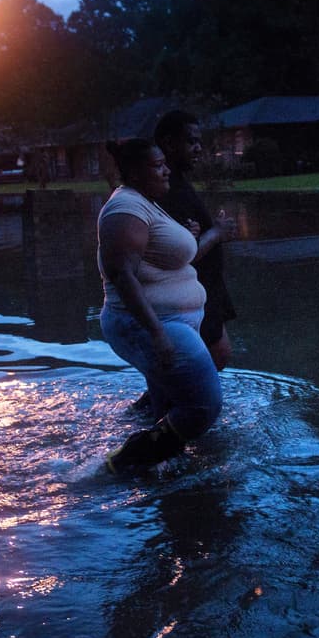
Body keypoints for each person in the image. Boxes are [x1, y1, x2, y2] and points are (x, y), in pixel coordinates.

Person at [97, 138, 222, 472]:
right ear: (136, 172)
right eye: (158, 165)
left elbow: (157, 256)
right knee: (203, 406)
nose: (167, 170)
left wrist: (187, 237)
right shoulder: (126, 207)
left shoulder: (143, 202)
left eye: (166, 162)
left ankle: (163, 470)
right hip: (155, 324)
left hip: (172, 321)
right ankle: (122, 464)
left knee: (169, 403)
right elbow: (122, 274)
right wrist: (157, 333)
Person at [153, 110, 239, 368]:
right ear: (169, 144)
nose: (199, 148)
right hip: (192, 292)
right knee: (214, 355)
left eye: (199, 141)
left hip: (205, 288)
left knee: (207, 357)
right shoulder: (167, 189)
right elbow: (180, 252)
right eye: (191, 141)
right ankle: (162, 407)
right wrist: (217, 233)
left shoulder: (177, 182)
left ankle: (159, 406)